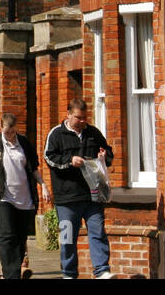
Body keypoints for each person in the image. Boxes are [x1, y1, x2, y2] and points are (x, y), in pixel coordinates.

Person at [44, 99, 115, 279]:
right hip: (67, 198)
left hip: (93, 195)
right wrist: (70, 161)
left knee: (98, 232)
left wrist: (104, 156)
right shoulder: (56, 134)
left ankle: (102, 271)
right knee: (68, 239)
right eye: (78, 118)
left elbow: (108, 154)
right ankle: (69, 273)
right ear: (68, 114)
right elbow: (49, 158)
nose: (82, 121)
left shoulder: (93, 133)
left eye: (85, 118)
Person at [0, 112, 49, 279]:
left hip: (24, 197)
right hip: (2, 196)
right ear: (1, 128)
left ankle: (15, 269)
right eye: (7, 132)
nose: (10, 136)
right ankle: (11, 274)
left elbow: (34, 167)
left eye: (13, 132)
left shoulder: (24, 143)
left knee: (21, 237)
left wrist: (43, 185)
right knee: (7, 236)